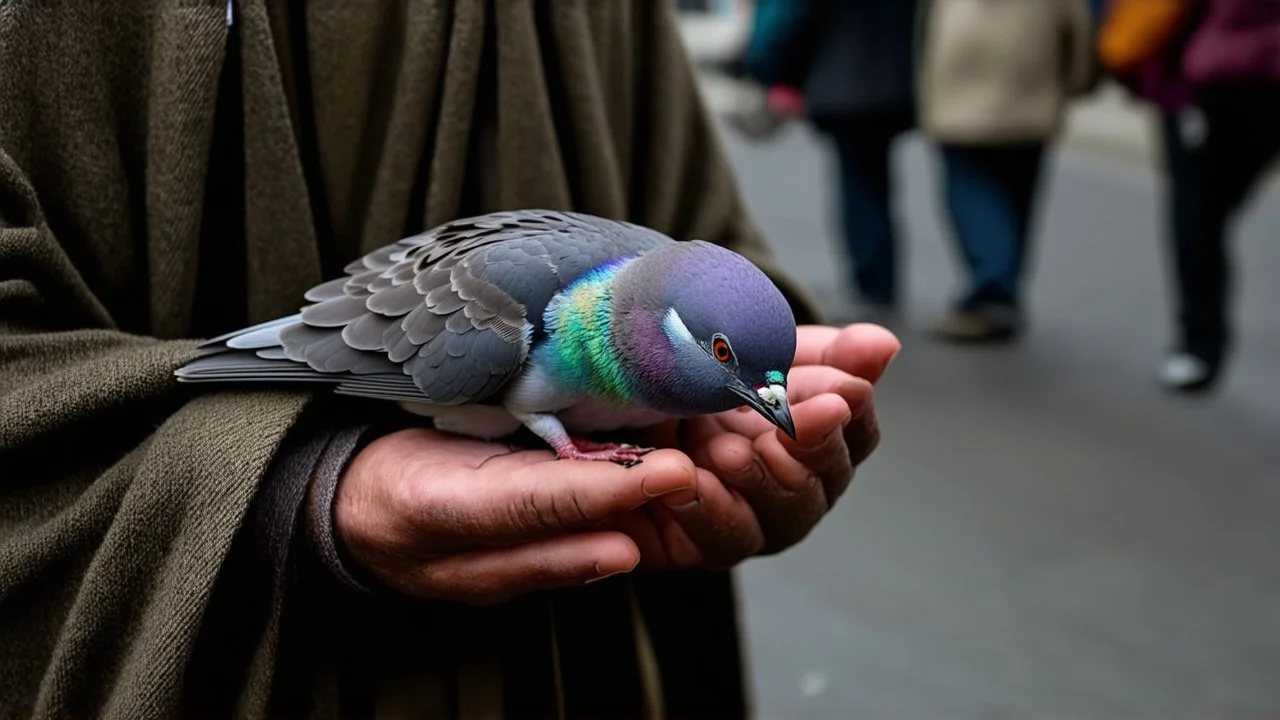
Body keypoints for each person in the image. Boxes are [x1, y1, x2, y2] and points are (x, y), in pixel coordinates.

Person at [0, 1, 899, 718]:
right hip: (265, 647)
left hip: (570, 657)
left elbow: (726, 265)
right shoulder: (522, 316)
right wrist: (287, 479)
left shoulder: (667, 266)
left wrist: (759, 447)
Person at [1100, 0, 1280, 392]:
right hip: (1241, 78)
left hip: (1213, 80)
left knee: (1197, 215)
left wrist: (1120, 49)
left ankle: (1199, 345)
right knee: (1204, 215)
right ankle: (1199, 340)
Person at [726, 0, 920, 323]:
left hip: (845, 76)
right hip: (893, 75)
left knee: (859, 183)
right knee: (872, 178)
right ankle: (877, 282)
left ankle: (872, 284)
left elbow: (785, 18)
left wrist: (767, 67)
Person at [918, 0, 1096, 341]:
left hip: (960, 91)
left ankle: (993, 288)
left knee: (972, 193)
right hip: (1030, 88)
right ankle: (1000, 287)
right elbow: (1077, 27)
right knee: (1016, 197)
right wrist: (1077, 80)